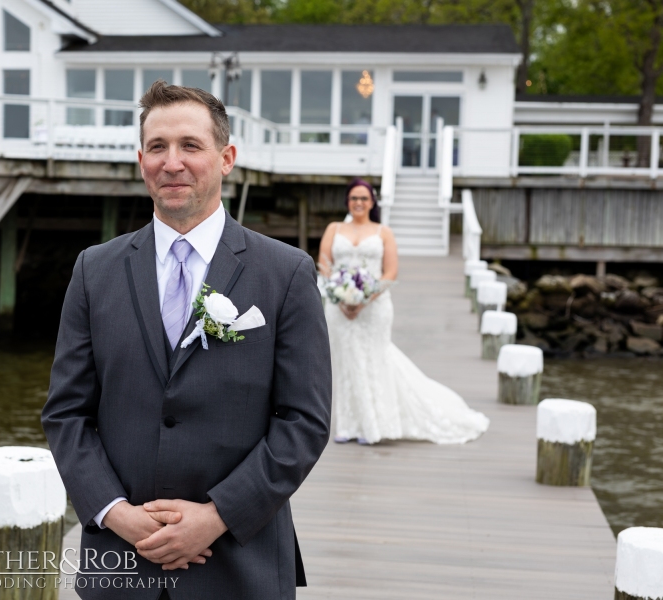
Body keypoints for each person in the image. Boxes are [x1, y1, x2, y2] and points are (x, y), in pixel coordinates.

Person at [42, 82, 332, 600]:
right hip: (120, 566)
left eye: (190, 146)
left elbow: (303, 422)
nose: (171, 162)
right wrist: (116, 513)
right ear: (140, 160)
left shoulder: (285, 274)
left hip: (239, 565)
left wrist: (218, 516)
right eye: (158, 147)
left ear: (226, 158)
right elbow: (66, 414)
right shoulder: (94, 271)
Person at [318, 178, 489, 445]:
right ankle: (349, 423)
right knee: (345, 361)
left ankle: (374, 424)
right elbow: (325, 264)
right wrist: (339, 297)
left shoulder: (383, 232)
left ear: (372, 202)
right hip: (338, 308)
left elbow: (391, 272)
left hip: (373, 307)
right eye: (354, 198)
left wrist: (363, 299)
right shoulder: (334, 228)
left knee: (374, 359)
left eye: (364, 198)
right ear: (347, 202)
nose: (359, 203)